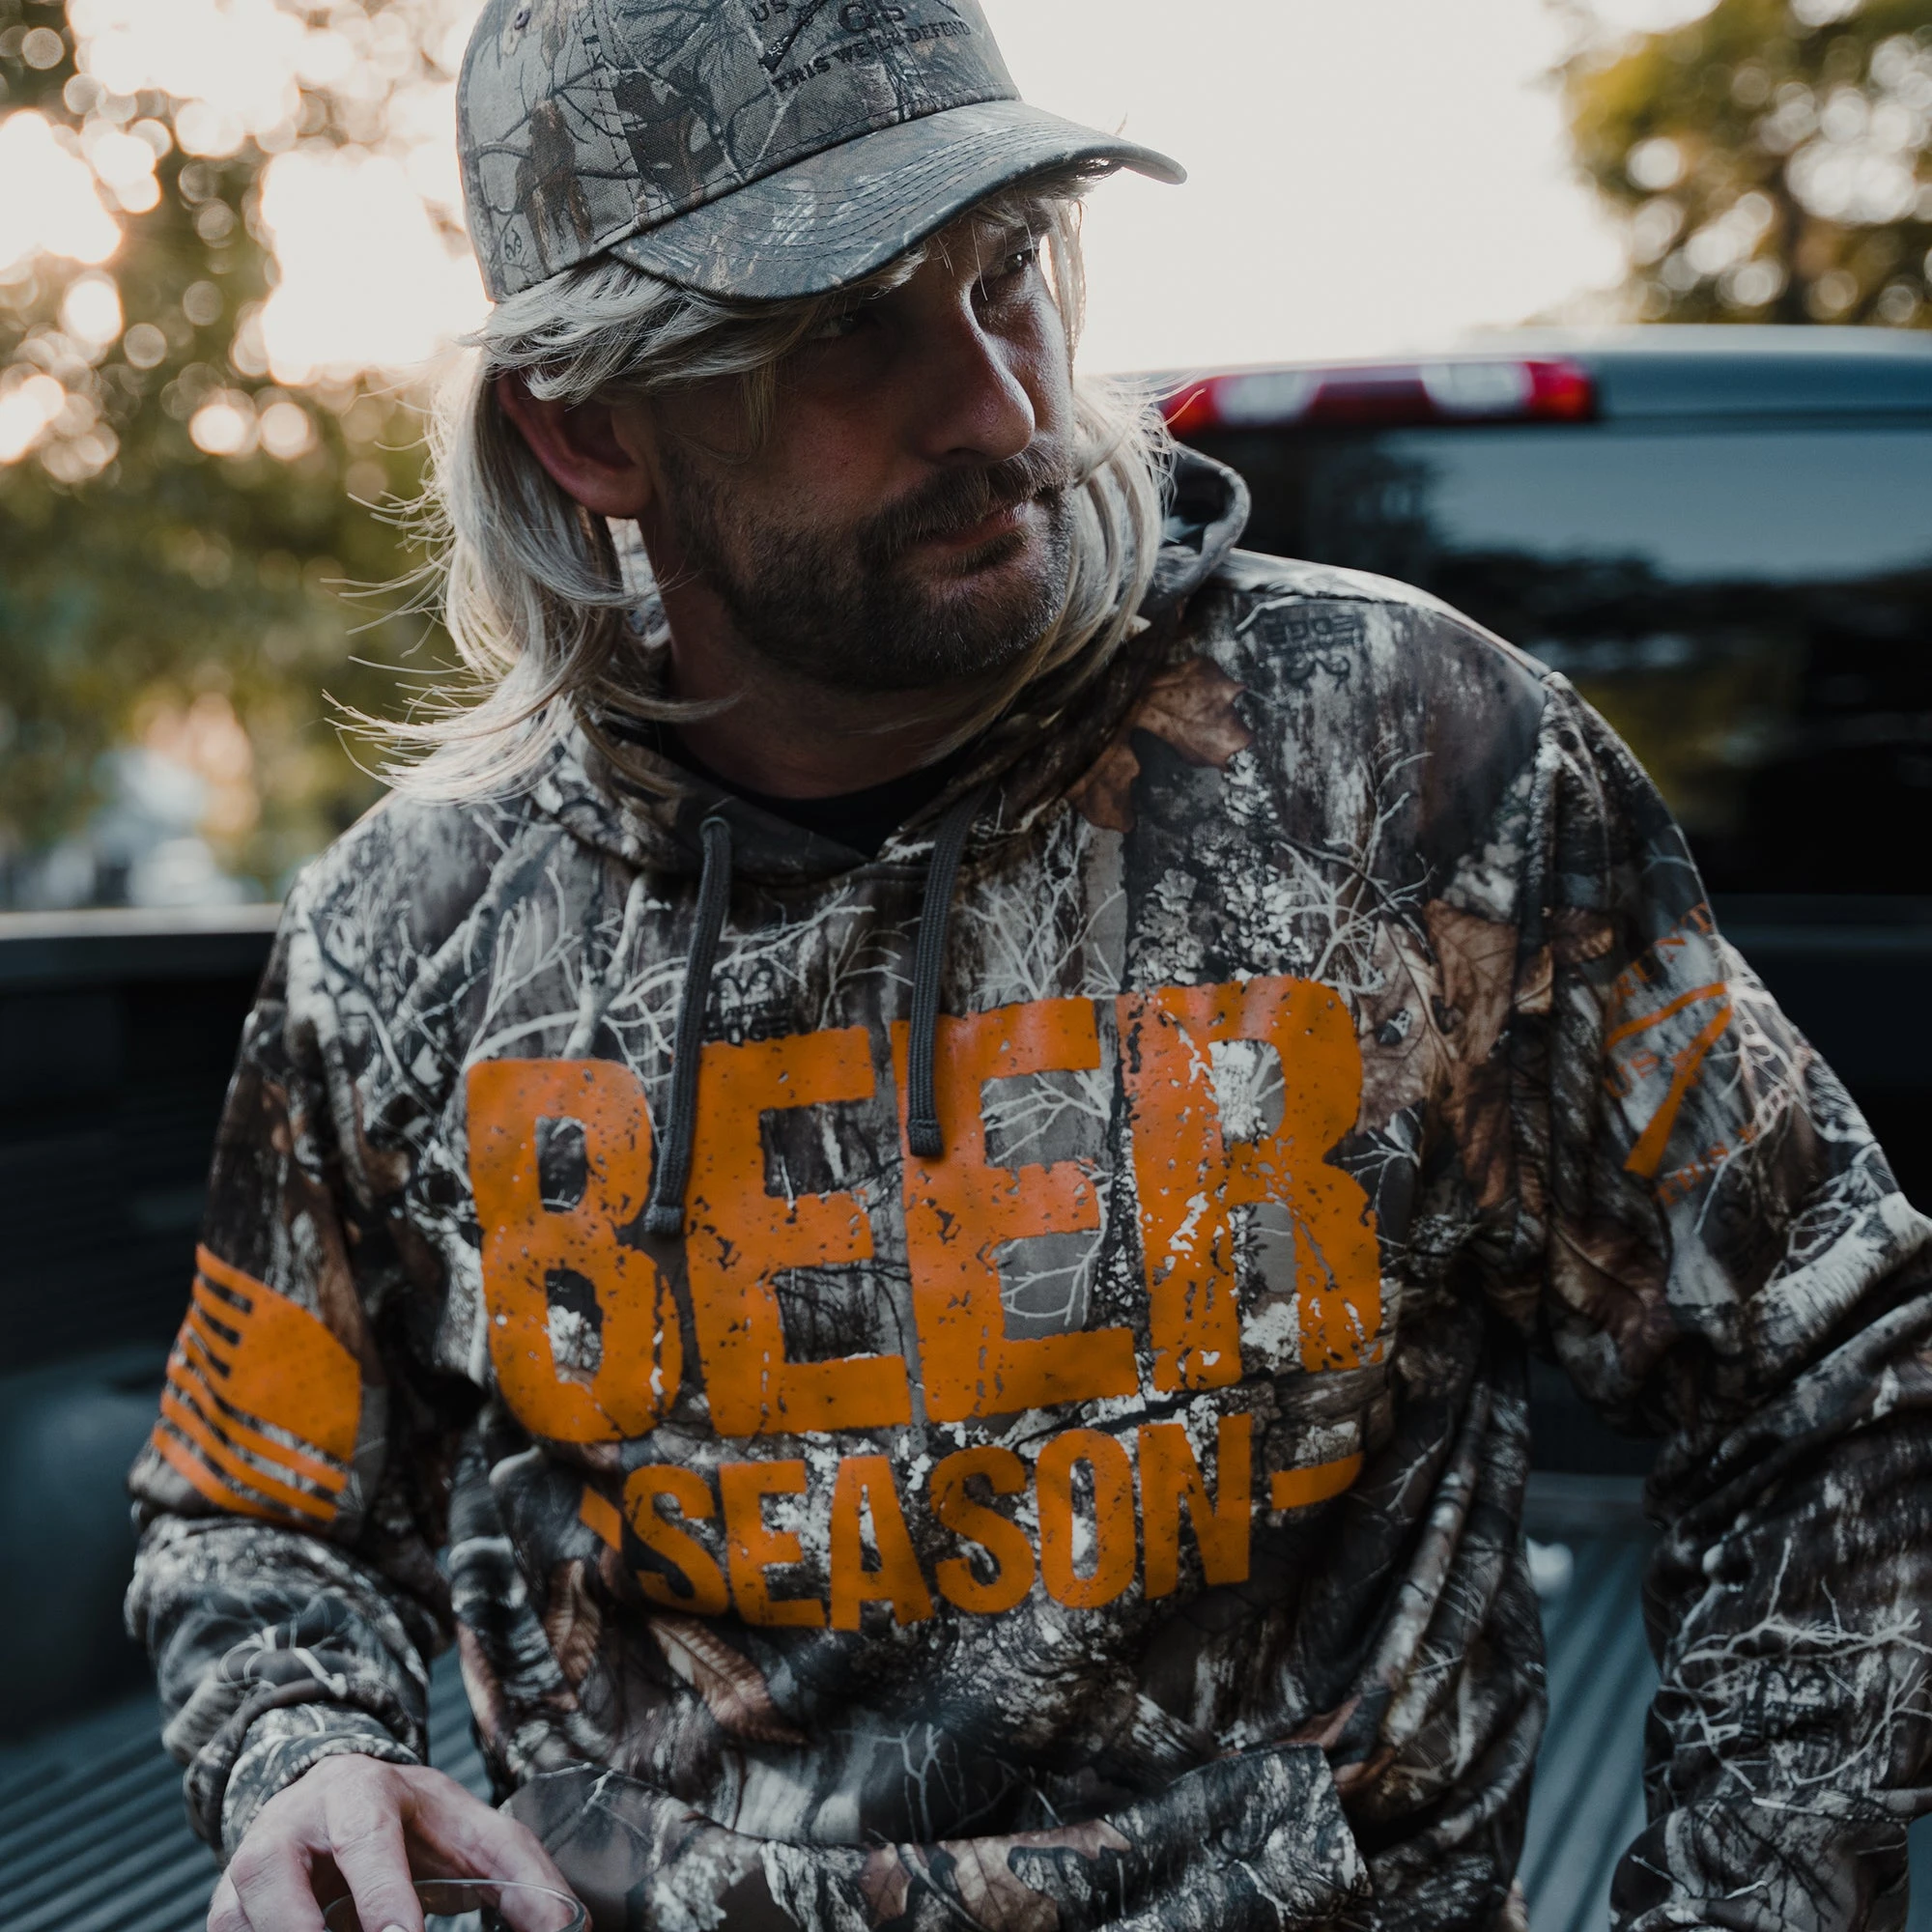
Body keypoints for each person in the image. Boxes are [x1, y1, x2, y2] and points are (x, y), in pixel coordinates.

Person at [127, 2, 1932, 1929]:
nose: (1000, 407)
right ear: (588, 429)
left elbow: (1833, 1378)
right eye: (848, 329)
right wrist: (301, 1745)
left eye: (1004, 276)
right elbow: (255, 1505)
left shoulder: (1400, 760)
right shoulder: (412, 931)